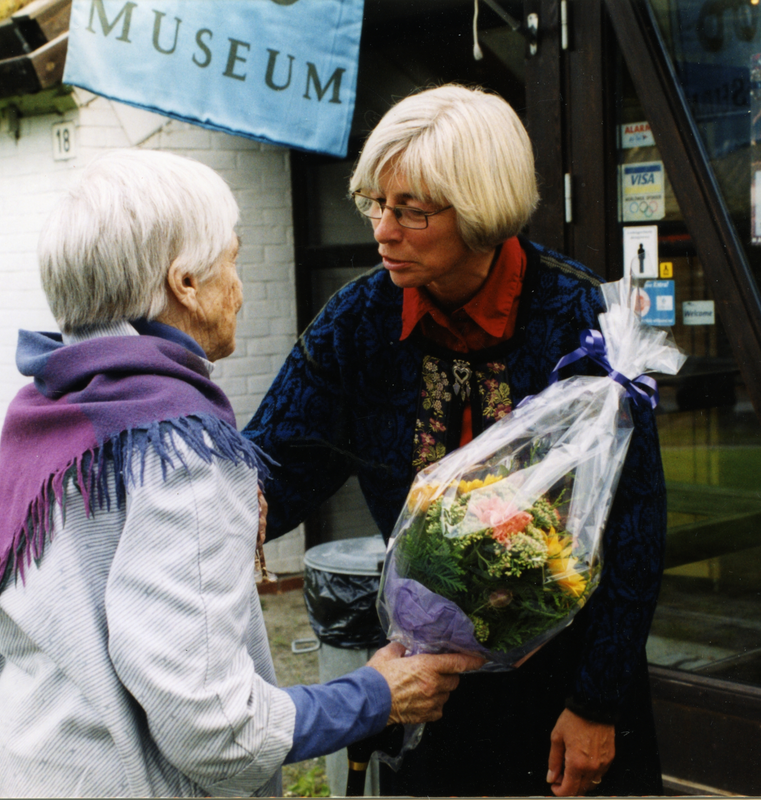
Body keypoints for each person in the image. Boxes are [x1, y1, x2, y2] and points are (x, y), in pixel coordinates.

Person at [0, 149, 482, 798]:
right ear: (185, 284)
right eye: (232, 260)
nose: (240, 288)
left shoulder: (52, 408)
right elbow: (215, 730)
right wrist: (375, 695)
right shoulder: (180, 455)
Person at [244, 85, 666, 797]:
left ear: (478, 207)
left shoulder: (582, 318)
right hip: (426, 683)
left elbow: (634, 526)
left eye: (411, 209)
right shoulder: (360, 322)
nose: (383, 230)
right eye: (375, 203)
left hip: (567, 683)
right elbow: (276, 462)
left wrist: (598, 704)